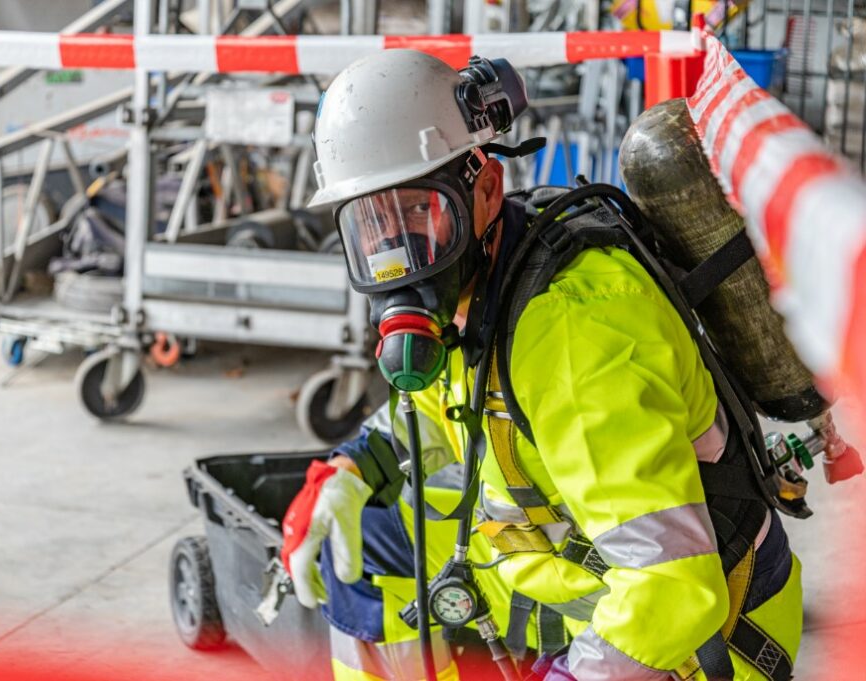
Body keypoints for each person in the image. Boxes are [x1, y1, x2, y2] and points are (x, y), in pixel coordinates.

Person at [280, 49, 802, 681]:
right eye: (372, 225)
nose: (399, 253)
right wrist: (350, 470)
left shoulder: (574, 333)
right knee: (366, 553)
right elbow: (437, 413)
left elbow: (670, 584)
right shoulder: (481, 290)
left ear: (486, 189)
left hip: (699, 637)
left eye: (420, 211)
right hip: (562, 572)